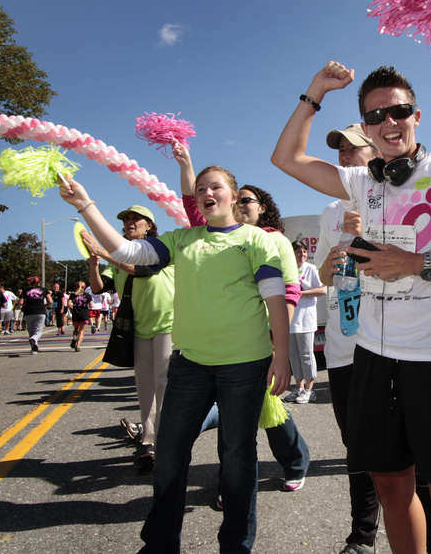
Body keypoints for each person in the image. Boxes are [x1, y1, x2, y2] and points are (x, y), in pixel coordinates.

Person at [272, 61, 431, 553]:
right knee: (392, 491)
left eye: (399, 111)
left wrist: (414, 263)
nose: (389, 123)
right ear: (366, 128)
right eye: (376, 116)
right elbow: (287, 158)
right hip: (373, 358)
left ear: (416, 116)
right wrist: (315, 90)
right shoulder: (362, 183)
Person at [59, 166, 290, 554]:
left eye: (216, 186)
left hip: (245, 365)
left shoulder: (258, 241)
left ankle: (236, 544)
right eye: (201, 188)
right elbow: (126, 252)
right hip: (188, 365)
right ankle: (160, 543)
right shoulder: (181, 239)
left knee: (237, 457)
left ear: (233, 196)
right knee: (167, 453)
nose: (207, 192)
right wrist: (86, 205)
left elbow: (275, 300)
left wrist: (281, 355)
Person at [315, 123, 431, 554]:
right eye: (340, 152)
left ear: (375, 151)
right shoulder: (332, 212)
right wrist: (340, 249)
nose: (345, 157)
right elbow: (322, 276)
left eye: (353, 149)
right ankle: (362, 537)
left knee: (415, 450)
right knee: (361, 451)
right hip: (343, 347)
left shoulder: (401, 195)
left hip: (394, 346)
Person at [174, 144, 311, 494]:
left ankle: (295, 462)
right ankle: (229, 485)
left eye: (248, 199)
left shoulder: (274, 241)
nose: (241, 204)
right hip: (225, 349)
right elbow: (194, 200)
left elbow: (290, 293)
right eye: (240, 198)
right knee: (240, 424)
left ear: (261, 208)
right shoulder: (213, 236)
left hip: (261, 342)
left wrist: (276, 344)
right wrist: (186, 162)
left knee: (272, 412)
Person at [82, 205, 175, 475]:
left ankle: (165, 443)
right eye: (126, 220)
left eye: (136, 219)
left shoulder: (157, 248)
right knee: (145, 384)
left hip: (167, 324)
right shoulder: (117, 256)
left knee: (163, 382)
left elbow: (142, 271)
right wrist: (94, 264)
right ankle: (148, 439)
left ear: (149, 225)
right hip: (138, 327)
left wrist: (105, 253)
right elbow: (100, 288)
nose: (130, 223)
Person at [283, 239, 325, 404]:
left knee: (307, 355)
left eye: (304, 252)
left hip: (305, 320)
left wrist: (301, 293)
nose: (302, 255)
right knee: (294, 356)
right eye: (299, 252)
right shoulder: (288, 270)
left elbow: (323, 290)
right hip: (291, 320)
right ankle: (299, 388)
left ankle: (310, 390)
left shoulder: (311, 269)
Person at [18, 277, 52, 354]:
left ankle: (33, 349)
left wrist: (24, 304)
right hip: (40, 310)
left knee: (31, 330)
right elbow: (50, 301)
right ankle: (34, 340)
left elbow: (20, 302)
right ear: (38, 282)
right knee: (38, 331)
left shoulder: (26, 290)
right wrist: (46, 305)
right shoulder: (43, 290)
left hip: (28, 312)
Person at [67, 281, 90, 351]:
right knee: (81, 331)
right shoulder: (87, 295)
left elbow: (68, 304)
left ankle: (74, 337)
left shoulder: (73, 295)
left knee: (76, 329)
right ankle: (78, 345)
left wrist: (72, 308)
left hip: (75, 314)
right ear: (84, 287)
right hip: (84, 314)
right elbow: (91, 305)